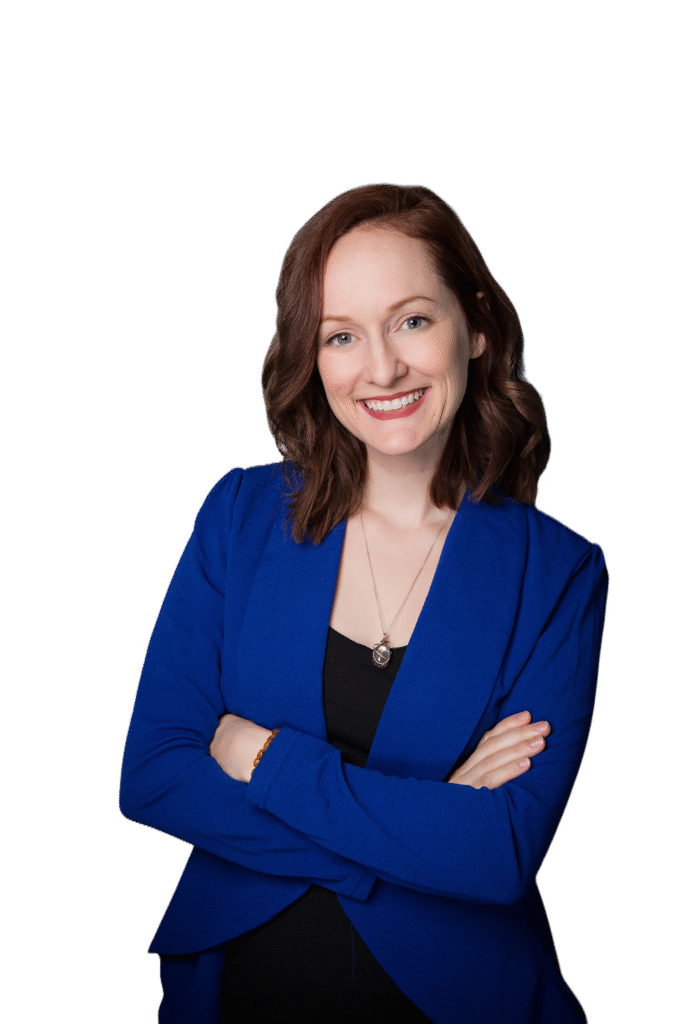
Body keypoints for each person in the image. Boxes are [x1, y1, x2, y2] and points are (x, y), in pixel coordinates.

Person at [120, 184, 608, 1024]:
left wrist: (264, 759)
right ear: (312, 359)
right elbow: (155, 777)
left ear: (476, 325)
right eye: (340, 335)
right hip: (233, 997)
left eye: (411, 320)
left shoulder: (557, 571)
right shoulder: (240, 516)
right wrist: (424, 826)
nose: (380, 369)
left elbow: (496, 853)